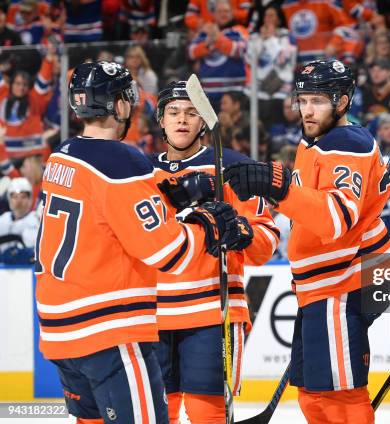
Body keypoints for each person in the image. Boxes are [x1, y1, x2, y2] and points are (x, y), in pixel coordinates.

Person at [35, 61, 248, 424]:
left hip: (61, 332)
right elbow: (168, 252)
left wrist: (176, 196)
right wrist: (208, 227)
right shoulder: (123, 160)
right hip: (108, 331)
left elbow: (108, 215)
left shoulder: (61, 156)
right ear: (119, 105)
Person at [224, 59, 390, 424]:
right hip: (323, 285)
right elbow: (307, 203)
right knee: (316, 395)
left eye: (318, 100)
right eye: (303, 100)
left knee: (340, 398)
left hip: (344, 283)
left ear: (343, 100)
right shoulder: (316, 141)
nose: (307, 110)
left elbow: (336, 218)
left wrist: (279, 186)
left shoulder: (347, 143)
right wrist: (275, 189)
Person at [149, 81, 279, 424]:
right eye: (173, 113)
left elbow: (266, 240)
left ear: (204, 121)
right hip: (150, 316)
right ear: (160, 120)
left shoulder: (232, 167)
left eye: (191, 113)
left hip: (212, 313)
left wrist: (240, 232)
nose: (181, 120)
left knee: (209, 414)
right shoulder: (140, 174)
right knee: (155, 414)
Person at [0, 177, 38, 263]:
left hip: (27, 271)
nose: (19, 201)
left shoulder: (36, 221)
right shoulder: (2, 219)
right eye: (15, 197)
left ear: (30, 199)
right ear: (9, 199)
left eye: (23, 197)